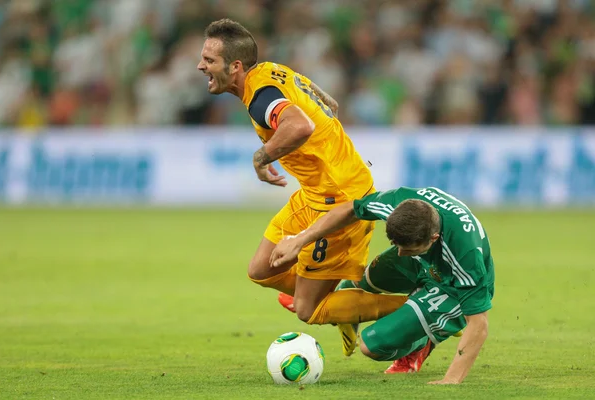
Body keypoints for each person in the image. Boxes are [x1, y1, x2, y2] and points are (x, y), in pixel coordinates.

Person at [197, 18, 407, 356]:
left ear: (235, 67)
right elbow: (330, 103)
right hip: (315, 192)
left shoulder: (259, 97)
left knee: (308, 310)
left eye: (209, 60)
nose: (200, 66)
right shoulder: (269, 71)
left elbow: (300, 125)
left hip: (340, 199)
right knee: (262, 269)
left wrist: (262, 157)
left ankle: (420, 310)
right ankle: (339, 297)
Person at [270, 186, 495, 384]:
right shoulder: (397, 202)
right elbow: (349, 209)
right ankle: (335, 302)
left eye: (407, 249)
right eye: (395, 245)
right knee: (360, 281)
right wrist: (299, 240)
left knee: (371, 345)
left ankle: (421, 341)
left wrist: (451, 379)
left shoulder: (465, 256)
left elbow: (479, 324)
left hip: (451, 287)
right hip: (425, 261)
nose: (399, 253)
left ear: (433, 238)